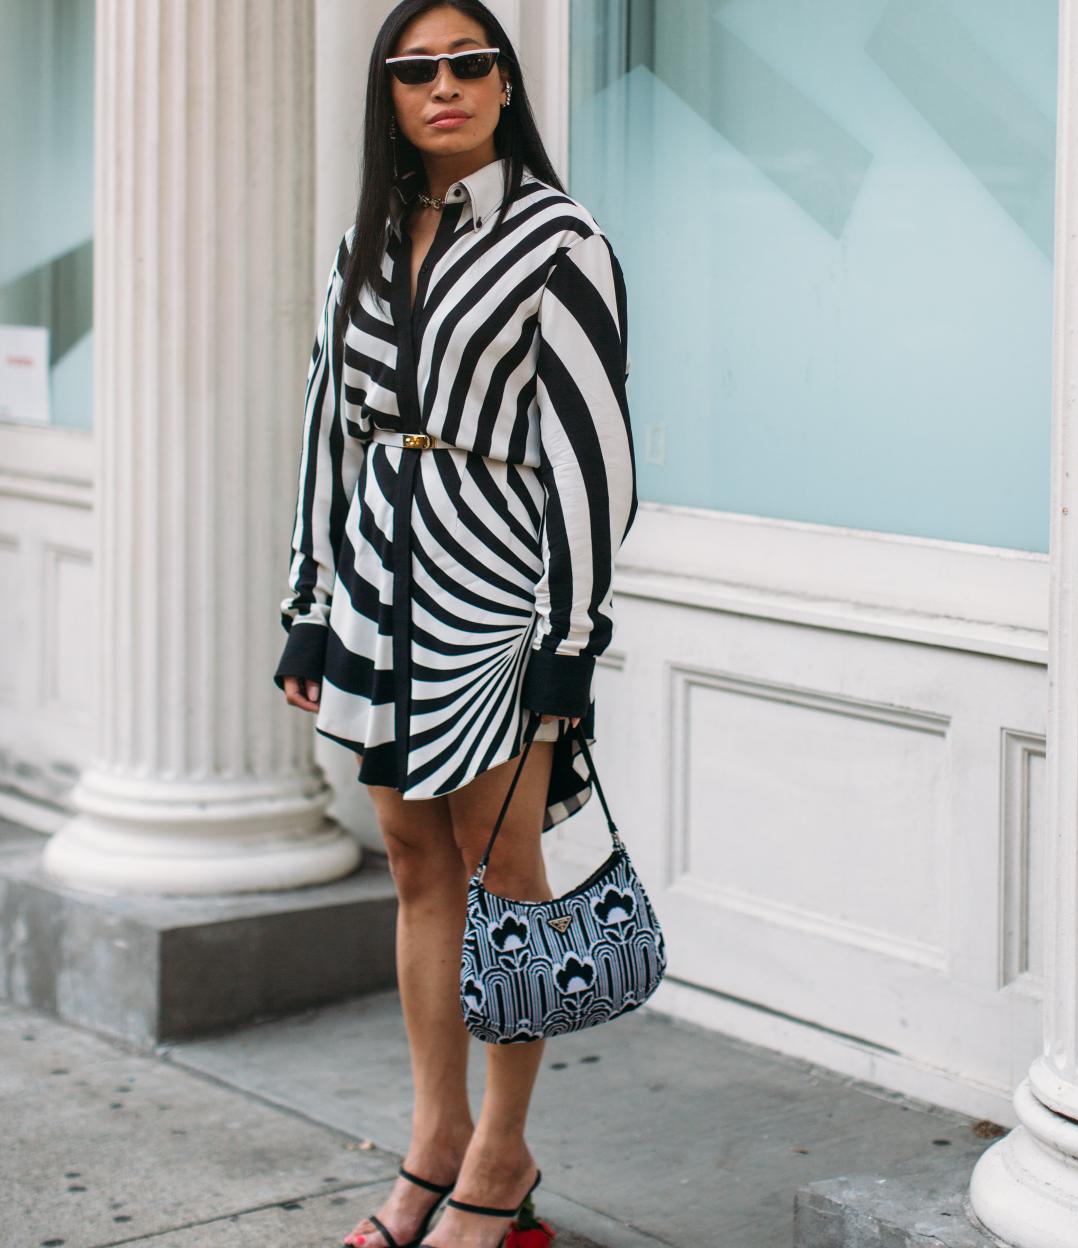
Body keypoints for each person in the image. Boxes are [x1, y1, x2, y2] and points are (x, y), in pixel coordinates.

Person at [272, 3, 637, 1245]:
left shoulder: (560, 240)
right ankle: (430, 1143)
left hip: (498, 589)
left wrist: (569, 639)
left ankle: (500, 1158)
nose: (444, 87)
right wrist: (308, 608)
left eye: (469, 64)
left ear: (503, 83)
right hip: (380, 580)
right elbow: (331, 433)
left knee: (507, 884)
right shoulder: (364, 243)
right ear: (387, 94)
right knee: (417, 867)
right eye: (416, 70)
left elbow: (594, 459)